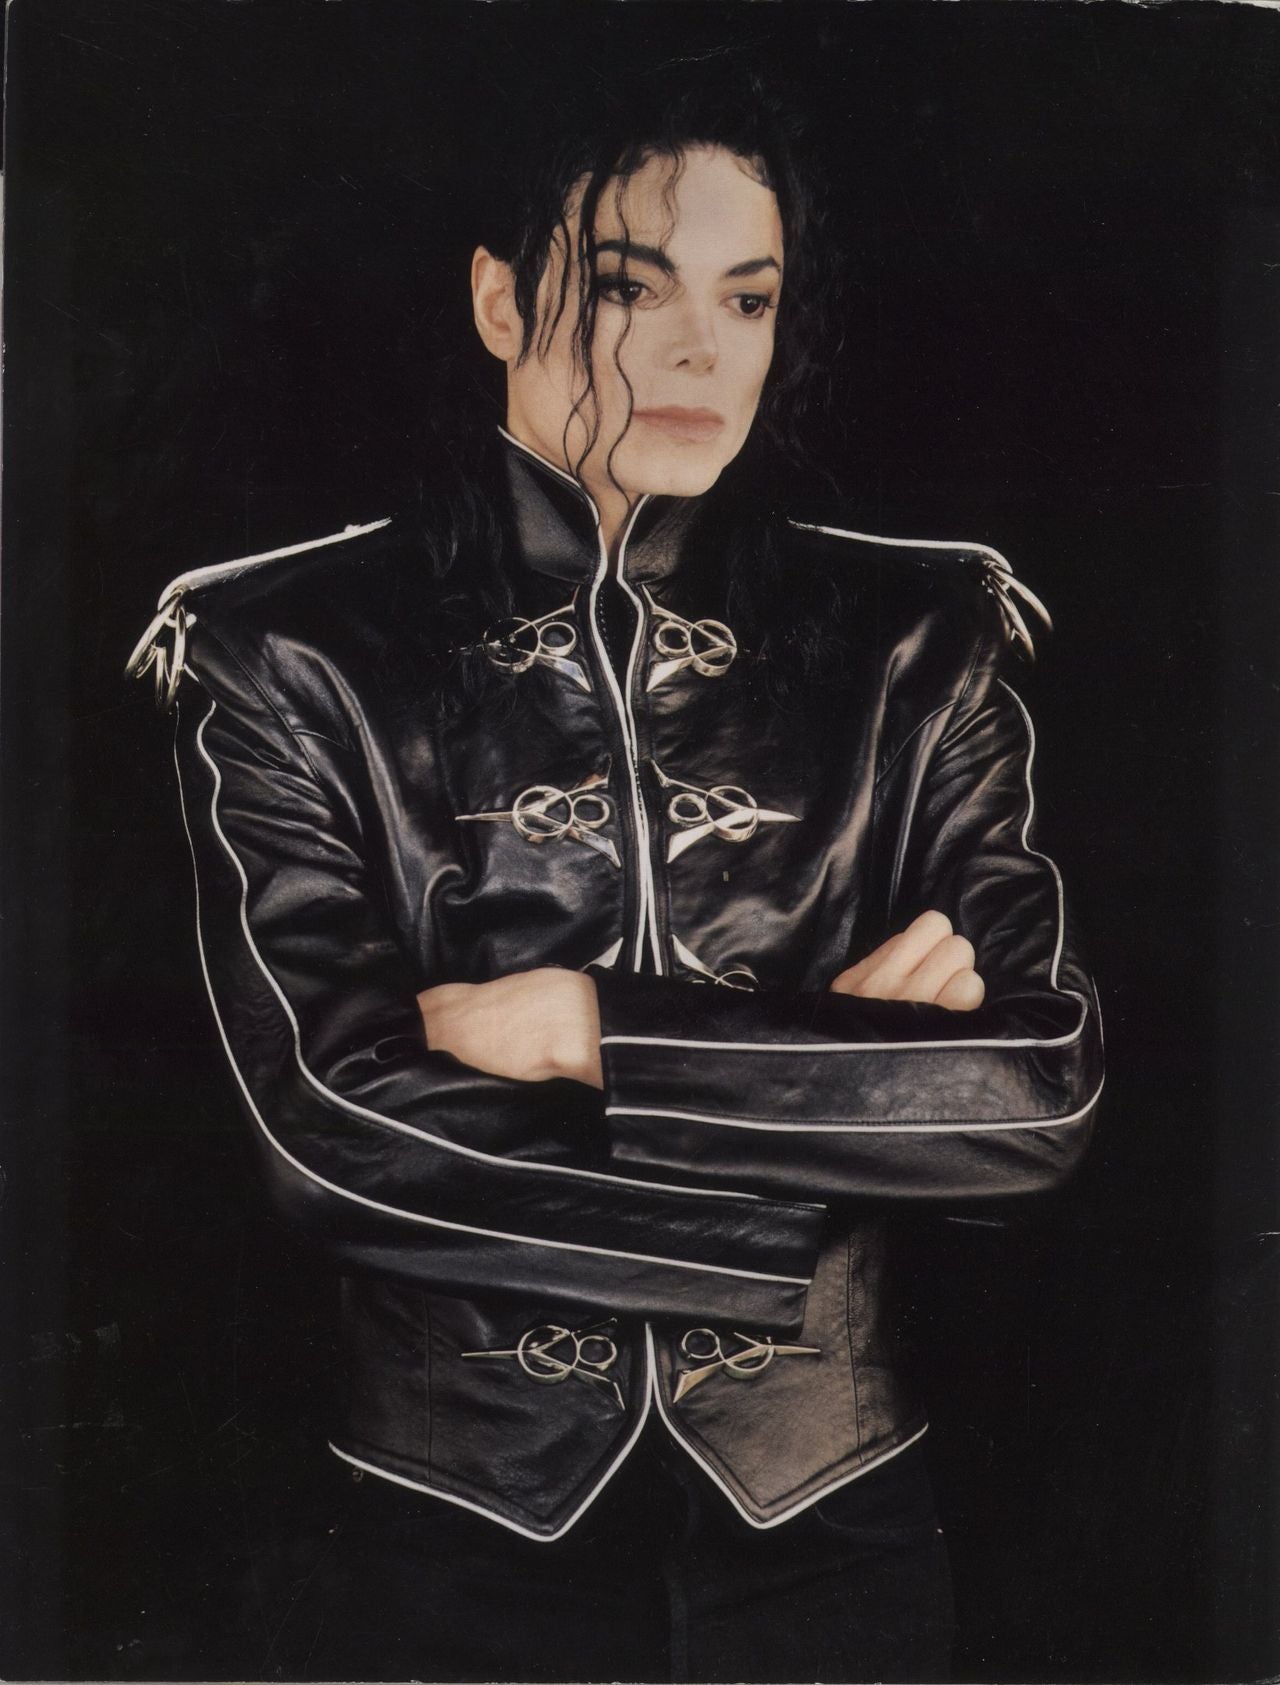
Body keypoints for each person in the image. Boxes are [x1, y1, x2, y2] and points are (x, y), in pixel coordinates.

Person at [127, 70, 1103, 1685]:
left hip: (838, 1535)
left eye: (748, 297)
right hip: (445, 1543)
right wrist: (837, 1082)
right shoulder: (287, 648)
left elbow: (1037, 1092)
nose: (699, 350)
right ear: (500, 302)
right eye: (631, 287)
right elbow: (332, 1133)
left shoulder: (920, 639)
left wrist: (590, 1029)